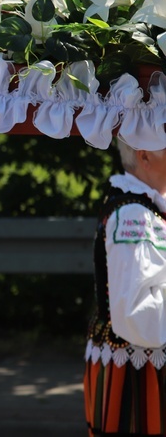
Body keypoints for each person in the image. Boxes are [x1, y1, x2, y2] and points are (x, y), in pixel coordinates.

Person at [84, 139, 166, 436]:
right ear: (144, 156)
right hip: (139, 374)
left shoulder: (147, 206)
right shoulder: (134, 216)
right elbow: (141, 319)